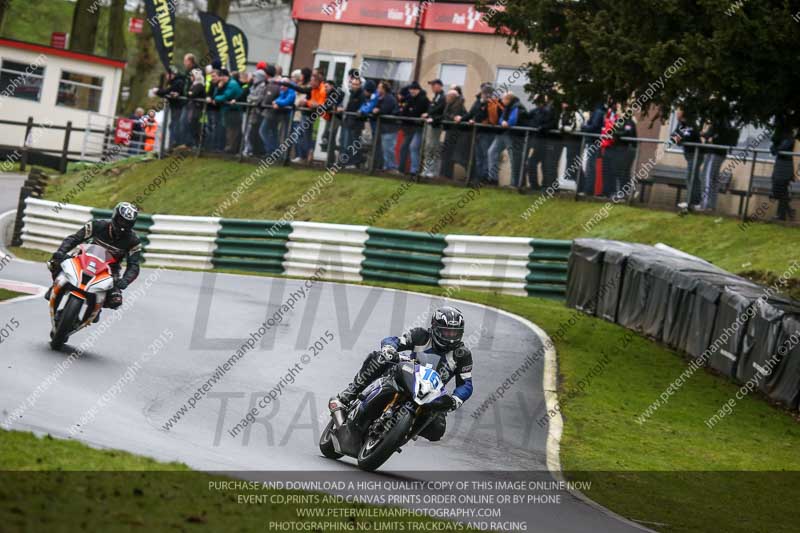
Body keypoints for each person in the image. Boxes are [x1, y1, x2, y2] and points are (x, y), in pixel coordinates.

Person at [329, 307, 473, 442]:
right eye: (447, 332)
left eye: (455, 333)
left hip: (431, 393)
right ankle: (348, 395)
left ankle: (404, 432)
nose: (451, 337)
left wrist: (455, 400)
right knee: (378, 358)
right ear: (435, 328)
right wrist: (389, 348)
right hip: (407, 375)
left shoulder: (462, 354)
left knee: (437, 430)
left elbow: (466, 384)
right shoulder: (421, 335)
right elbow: (396, 340)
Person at [46, 202, 142, 312]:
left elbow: (134, 265)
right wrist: (61, 252)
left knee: (115, 300)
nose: (123, 225)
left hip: (109, 270)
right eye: (121, 221)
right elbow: (74, 238)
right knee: (56, 262)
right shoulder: (97, 225)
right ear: (115, 217)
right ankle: (55, 286)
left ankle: (96, 309)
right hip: (83, 258)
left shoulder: (134, 241)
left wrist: (125, 280)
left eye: (127, 223)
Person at [455, 84, 502, 183]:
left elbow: (485, 116)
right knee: (479, 156)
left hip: (488, 133)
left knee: (486, 155)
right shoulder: (478, 102)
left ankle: (486, 178)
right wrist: (462, 119)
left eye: (487, 93)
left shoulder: (493, 103)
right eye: (484, 93)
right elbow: (472, 113)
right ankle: (479, 177)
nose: (485, 95)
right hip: (478, 132)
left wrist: (475, 119)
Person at [488, 92, 524, 186]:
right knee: (492, 152)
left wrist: (507, 123)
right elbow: (501, 119)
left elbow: (514, 119)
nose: (501, 101)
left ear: (508, 99)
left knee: (514, 159)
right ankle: (493, 179)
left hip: (513, 136)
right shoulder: (507, 107)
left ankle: (515, 184)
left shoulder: (517, 106)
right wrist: (503, 122)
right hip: (503, 134)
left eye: (503, 99)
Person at [525, 94, 559, 191]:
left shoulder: (550, 111)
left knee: (548, 165)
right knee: (533, 163)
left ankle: (548, 186)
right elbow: (528, 121)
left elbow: (552, 123)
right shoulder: (536, 111)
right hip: (539, 142)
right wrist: (537, 126)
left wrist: (542, 127)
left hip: (547, 141)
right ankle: (535, 185)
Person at [671, 105, 702, 210]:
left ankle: (693, 202)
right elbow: (673, 136)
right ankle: (693, 202)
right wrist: (679, 139)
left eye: (678, 111)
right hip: (689, 155)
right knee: (692, 177)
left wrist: (680, 140)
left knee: (691, 177)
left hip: (696, 154)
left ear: (683, 112)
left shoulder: (690, 124)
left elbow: (689, 137)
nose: (676, 113)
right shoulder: (681, 124)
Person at [398, 81, 429, 176]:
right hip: (409, 128)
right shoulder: (410, 99)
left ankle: (414, 170)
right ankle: (401, 169)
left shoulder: (424, 100)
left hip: (419, 128)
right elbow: (405, 112)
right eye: (411, 89)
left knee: (414, 147)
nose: (412, 91)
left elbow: (416, 112)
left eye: (414, 89)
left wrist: (410, 112)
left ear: (418, 90)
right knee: (404, 147)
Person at [154, 66, 186, 150]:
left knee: (175, 125)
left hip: (178, 107)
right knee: (172, 125)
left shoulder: (178, 82)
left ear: (172, 74)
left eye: (168, 74)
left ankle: (174, 144)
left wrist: (157, 91)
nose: (166, 76)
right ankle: (171, 144)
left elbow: (167, 91)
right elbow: (166, 92)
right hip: (174, 107)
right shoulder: (173, 82)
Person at [579, 102, 607, 195]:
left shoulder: (598, 112)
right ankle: (587, 189)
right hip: (593, 141)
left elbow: (594, 126)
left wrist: (583, 127)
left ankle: (588, 190)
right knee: (589, 165)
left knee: (590, 166)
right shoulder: (599, 112)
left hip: (593, 142)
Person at [339, 75, 367, 167]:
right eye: (353, 84)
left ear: (360, 85)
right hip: (348, 121)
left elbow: (362, 108)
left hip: (356, 124)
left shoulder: (362, 95)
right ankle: (346, 162)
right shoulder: (350, 94)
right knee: (345, 142)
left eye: (356, 84)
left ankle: (354, 163)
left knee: (353, 144)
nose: (354, 86)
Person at [770, 124, 797, 221]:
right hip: (779, 164)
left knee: (781, 189)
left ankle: (781, 215)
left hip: (787, 166)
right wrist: (776, 146)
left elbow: (782, 148)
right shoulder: (779, 138)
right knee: (779, 191)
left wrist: (777, 147)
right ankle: (789, 211)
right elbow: (773, 150)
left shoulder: (791, 139)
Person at [373, 81, 400, 172]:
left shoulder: (389, 98)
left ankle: (392, 167)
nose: (378, 89)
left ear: (384, 89)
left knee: (389, 148)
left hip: (390, 128)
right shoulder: (381, 98)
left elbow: (385, 110)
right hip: (384, 128)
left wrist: (378, 110)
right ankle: (386, 166)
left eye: (379, 88)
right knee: (385, 148)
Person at [440, 89, 467, 179]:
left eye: (448, 96)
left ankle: (446, 175)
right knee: (447, 154)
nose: (446, 98)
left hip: (455, 133)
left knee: (451, 154)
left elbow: (450, 116)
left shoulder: (458, 105)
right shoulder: (450, 104)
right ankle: (445, 174)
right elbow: (446, 115)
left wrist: (451, 117)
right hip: (451, 131)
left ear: (452, 97)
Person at [421, 79, 446, 177]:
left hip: (435, 126)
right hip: (430, 125)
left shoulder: (442, 98)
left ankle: (432, 171)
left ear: (439, 86)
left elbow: (443, 113)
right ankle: (427, 170)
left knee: (433, 147)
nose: (432, 87)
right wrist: (428, 114)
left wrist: (433, 118)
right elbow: (432, 110)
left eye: (433, 85)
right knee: (428, 147)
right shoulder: (436, 97)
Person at [558, 101, 584, 182]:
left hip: (575, 141)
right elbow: (560, 125)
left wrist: (564, 128)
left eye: (565, 103)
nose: (563, 105)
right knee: (570, 158)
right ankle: (572, 178)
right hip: (568, 140)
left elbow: (576, 127)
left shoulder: (576, 114)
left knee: (574, 161)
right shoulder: (563, 114)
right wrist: (563, 128)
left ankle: (579, 182)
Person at [243, 69, 267, 156]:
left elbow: (258, 99)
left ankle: (254, 151)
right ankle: (249, 150)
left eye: (254, 76)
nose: (253, 78)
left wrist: (251, 100)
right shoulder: (254, 86)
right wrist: (251, 100)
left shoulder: (262, 86)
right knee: (248, 131)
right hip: (252, 112)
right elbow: (249, 97)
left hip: (257, 113)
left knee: (254, 132)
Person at [184, 69, 206, 147]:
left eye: (192, 76)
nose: (191, 77)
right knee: (191, 125)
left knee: (195, 126)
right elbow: (187, 93)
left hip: (197, 109)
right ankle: (193, 143)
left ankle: (198, 144)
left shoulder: (199, 85)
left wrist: (190, 93)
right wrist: (189, 93)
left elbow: (193, 94)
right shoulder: (194, 84)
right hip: (193, 108)